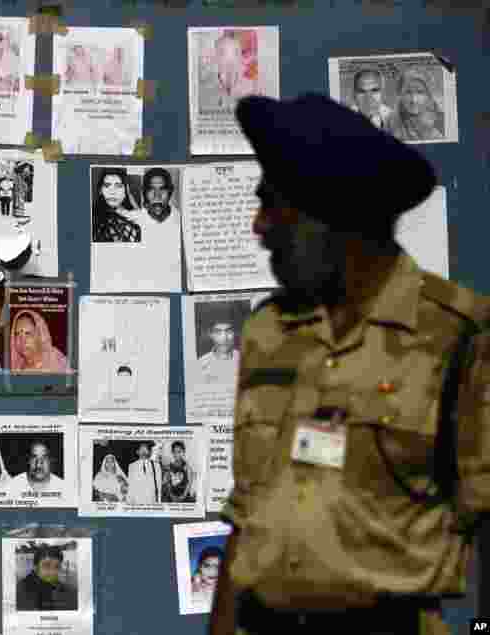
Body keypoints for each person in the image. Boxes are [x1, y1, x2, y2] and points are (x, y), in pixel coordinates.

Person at [208, 93, 490, 635]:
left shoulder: (457, 337)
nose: (259, 226)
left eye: (274, 204)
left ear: (332, 216)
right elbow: (248, 516)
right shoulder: (269, 332)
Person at [388, 67, 445, 142]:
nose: (414, 100)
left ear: (428, 95)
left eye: (420, 92)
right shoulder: (389, 124)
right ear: (400, 94)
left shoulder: (441, 123)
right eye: (408, 92)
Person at [15, 544, 78, 611]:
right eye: (46, 566)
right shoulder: (22, 591)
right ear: (35, 567)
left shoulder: (61, 588)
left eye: (57, 567)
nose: (53, 572)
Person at [208, 31, 258, 110]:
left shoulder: (249, 86)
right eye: (222, 53)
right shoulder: (211, 86)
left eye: (236, 53)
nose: (230, 62)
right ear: (215, 58)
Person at [91, 168, 141, 243]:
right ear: (100, 191)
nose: (112, 192)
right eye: (107, 186)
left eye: (118, 186)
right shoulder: (93, 219)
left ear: (126, 191)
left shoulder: (136, 215)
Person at [198, 316, 239, 384]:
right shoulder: (200, 364)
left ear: (234, 333)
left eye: (229, 331)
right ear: (210, 334)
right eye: (218, 332)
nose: (224, 338)